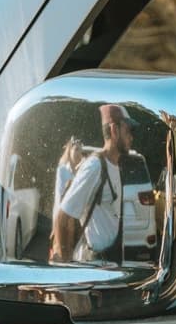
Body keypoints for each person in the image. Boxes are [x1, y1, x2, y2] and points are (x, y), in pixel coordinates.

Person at [52, 103, 135, 264]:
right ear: (114, 130)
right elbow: (63, 216)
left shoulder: (115, 164)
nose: (131, 137)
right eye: (128, 131)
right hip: (96, 264)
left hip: (112, 259)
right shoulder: (95, 166)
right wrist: (65, 264)